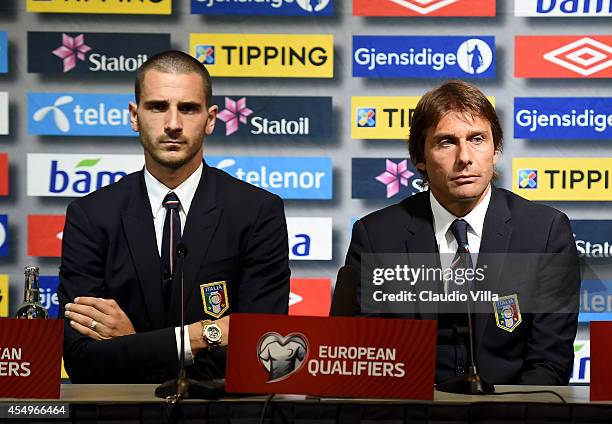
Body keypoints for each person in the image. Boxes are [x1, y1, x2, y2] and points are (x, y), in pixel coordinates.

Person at [57, 50, 291, 383]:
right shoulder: (91, 216)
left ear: (210, 119)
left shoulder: (256, 212)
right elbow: (82, 360)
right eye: (157, 107)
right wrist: (203, 335)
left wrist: (131, 343)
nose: (173, 124)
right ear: (134, 116)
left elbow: (258, 354)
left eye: (188, 108)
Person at [343, 80, 580, 385]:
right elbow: (362, 357)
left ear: (495, 150)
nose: (464, 157)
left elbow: (550, 361)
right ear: (420, 158)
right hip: (408, 411)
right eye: (446, 142)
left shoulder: (544, 232)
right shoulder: (377, 236)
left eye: (477, 139)